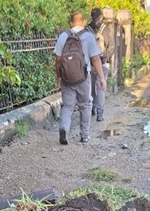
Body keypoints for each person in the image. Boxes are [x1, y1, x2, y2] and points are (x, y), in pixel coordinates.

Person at [54, 11, 106, 145]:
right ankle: (84, 135)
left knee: (67, 106)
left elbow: (58, 61)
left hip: (67, 78)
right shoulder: (89, 36)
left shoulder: (63, 36)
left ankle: (64, 128)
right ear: (83, 22)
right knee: (85, 106)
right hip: (83, 78)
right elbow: (95, 59)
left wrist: (59, 77)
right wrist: (101, 78)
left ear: (71, 23)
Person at [87, 8, 111, 122]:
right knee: (101, 87)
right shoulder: (105, 29)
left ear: (91, 16)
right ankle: (100, 113)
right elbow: (111, 46)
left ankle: (92, 108)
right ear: (101, 16)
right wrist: (107, 56)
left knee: (90, 87)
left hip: (90, 63)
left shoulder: (87, 30)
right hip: (103, 63)